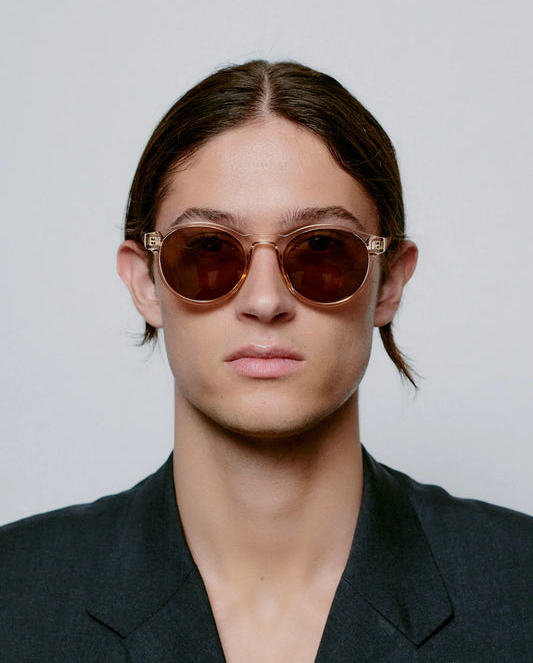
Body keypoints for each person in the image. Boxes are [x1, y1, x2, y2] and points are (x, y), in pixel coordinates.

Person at [0, 60, 531, 662]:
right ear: (145, 283)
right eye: (208, 249)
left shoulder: (518, 590)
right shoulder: (15, 597)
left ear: (388, 283)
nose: (264, 301)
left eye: (322, 248)